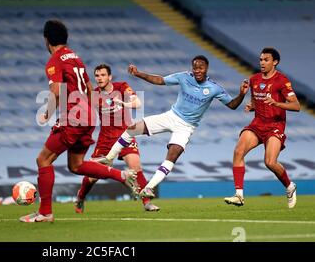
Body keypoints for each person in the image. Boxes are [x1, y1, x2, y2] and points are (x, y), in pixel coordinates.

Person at [19, 20, 138, 223]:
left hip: (74, 117)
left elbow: (56, 92)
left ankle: (45, 212)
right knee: (76, 165)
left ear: (46, 40)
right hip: (87, 116)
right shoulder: (76, 58)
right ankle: (122, 176)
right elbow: (90, 88)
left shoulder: (55, 60)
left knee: (43, 160)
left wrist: (47, 113)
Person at [96, 56, 249, 199]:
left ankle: (149, 187)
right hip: (171, 116)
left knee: (172, 156)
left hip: (186, 127)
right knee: (132, 128)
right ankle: (109, 158)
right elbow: (159, 80)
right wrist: (138, 73)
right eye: (195, 68)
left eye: (201, 68)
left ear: (207, 68)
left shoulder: (214, 88)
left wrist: (241, 94)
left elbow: (232, 105)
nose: (197, 71)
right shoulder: (184, 77)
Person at [75, 64, 160, 213]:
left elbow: (138, 103)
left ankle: (146, 202)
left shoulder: (121, 87)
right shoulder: (94, 95)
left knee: (135, 166)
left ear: (110, 77)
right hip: (105, 139)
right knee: (92, 177)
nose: (99, 78)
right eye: (97, 76)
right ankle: (80, 197)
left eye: (102, 75)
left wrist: (125, 103)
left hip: (125, 135)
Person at [224, 47, 300, 208]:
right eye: (261, 59)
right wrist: (251, 105)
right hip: (258, 124)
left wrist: (277, 103)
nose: (262, 62)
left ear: (275, 62)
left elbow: (296, 106)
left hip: (275, 126)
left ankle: (289, 186)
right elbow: (257, 102)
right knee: (238, 151)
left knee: (270, 162)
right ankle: (239, 195)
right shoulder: (254, 79)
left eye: (266, 60)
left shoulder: (282, 80)